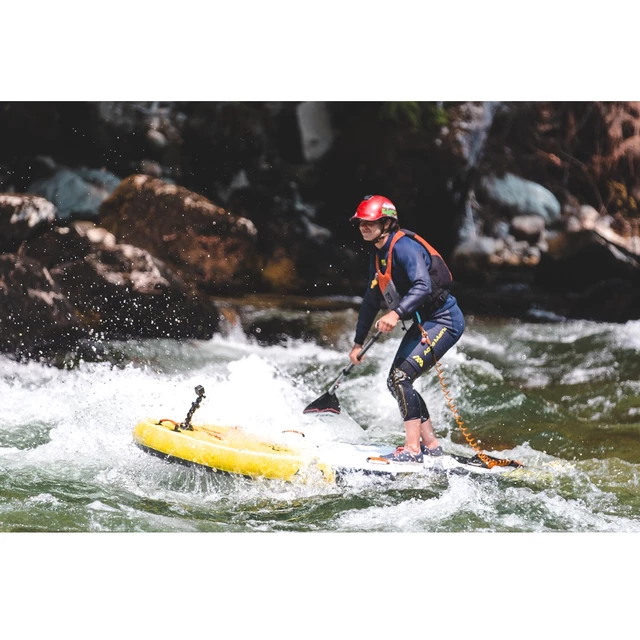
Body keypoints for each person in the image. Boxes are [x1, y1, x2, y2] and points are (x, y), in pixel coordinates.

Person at [349, 194, 466, 463]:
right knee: (397, 380)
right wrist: (358, 342)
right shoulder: (378, 254)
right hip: (425, 322)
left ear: (387, 223)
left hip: (445, 320)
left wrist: (395, 313)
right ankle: (432, 446)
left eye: (370, 222)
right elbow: (370, 300)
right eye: (360, 223)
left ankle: (412, 450)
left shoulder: (404, 248)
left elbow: (423, 285)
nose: (363, 227)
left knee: (400, 378)